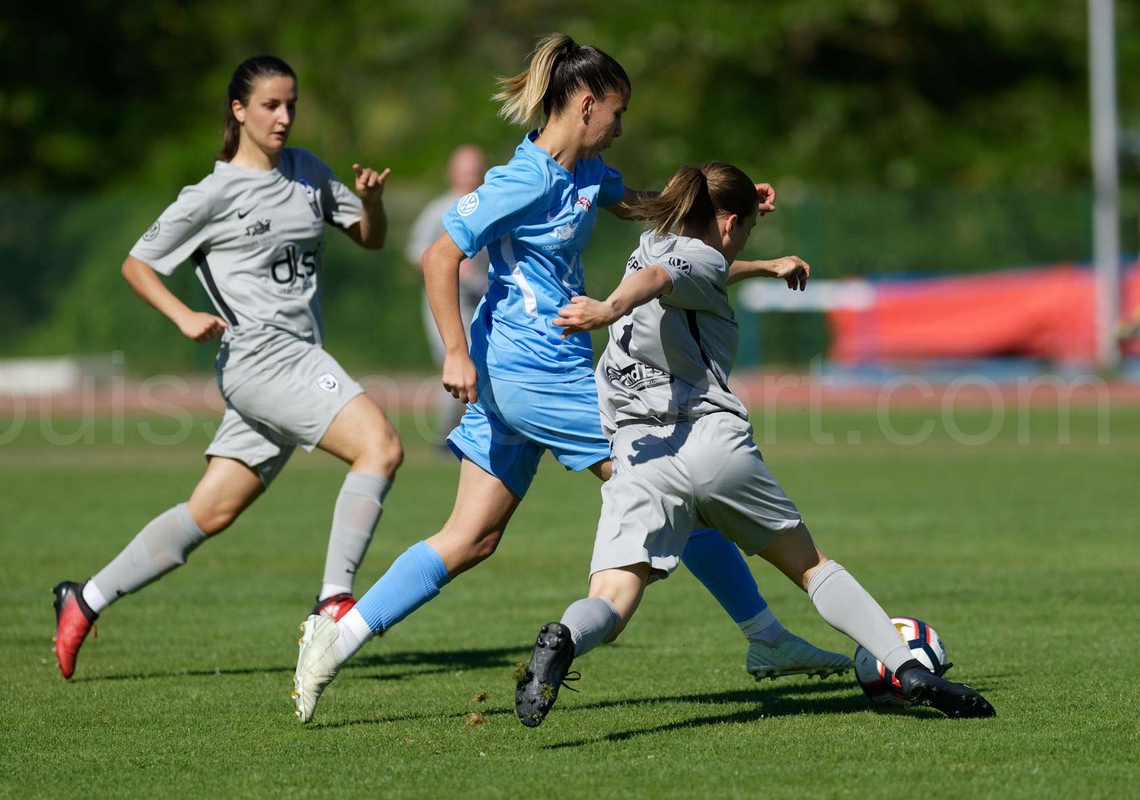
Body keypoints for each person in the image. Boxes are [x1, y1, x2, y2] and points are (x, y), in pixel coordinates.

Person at [292, 33, 849, 723]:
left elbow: (645, 205)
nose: (621, 127)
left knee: (471, 537)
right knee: (674, 481)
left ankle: (334, 639)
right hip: (528, 373)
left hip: (528, 376)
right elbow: (440, 257)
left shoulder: (588, 172)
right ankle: (765, 638)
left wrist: (732, 213)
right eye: (617, 112)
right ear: (587, 104)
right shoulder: (523, 179)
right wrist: (454, 352)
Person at [513, 162, 996, 725]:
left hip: (640, 456)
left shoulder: (653, 241)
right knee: (812, 568)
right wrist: (608, 308)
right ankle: (907, 668)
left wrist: (766, 263)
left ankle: (566, 637)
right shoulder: (684, 263)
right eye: (747, 231)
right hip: (711, 444)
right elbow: (666, 278)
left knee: (611, 602)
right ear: (728, 223)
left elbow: (689, 268)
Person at [51, 56, 403, 680]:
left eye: (291, 104)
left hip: (295, 359)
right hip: (261, 360)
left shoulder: (308, 172)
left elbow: (369, 237)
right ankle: (333, 601)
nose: (284, 117)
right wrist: (183, 315)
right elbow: (137, 265)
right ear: (239, 110)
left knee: (209, 512)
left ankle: (85, 598)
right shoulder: (211, 195)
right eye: (270, 105)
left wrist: (372, 204)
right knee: (380, 446)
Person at [405, 145, 491, 445]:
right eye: (464, 169)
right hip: (449, 302)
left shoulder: (491, 205)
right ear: (452, 172)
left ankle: (471, 434)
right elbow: (417, 254)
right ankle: (447, 435)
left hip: (485, 299)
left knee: (484, 363)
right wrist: (450, 265)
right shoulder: (439, 210)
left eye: (475, 168)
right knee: (460, 362)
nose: (470, 175)